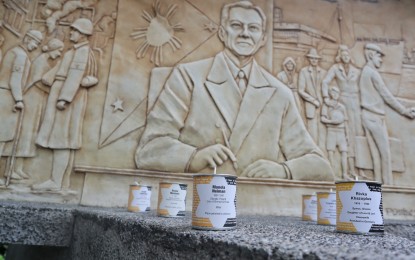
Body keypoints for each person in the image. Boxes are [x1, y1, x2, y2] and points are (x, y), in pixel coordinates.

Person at [135, 1, 333, 181]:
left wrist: (283, 170)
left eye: (253, 28)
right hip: (198, 200)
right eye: (236, 26)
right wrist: (193, 157)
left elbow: (321, 165)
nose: (245, 33)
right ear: (222, 33)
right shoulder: (188, 76)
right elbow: (148, 149)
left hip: (256, 205)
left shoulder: (280, 93)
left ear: (262, 39)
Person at [33, 18, 98, 191]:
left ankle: (56, 181)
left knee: (62, 139)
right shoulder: (74, 51)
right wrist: (48, 77)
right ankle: (61, 182)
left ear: (83, 34)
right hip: (61, 91)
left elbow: (75, 76)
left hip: (67, 98)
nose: (71, 33)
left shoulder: (81, 52)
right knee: (61, 138)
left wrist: (65, 98)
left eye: (74, 30)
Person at [1, 39, 64, 181]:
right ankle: (11, 169)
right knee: (24, 134)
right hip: (30, 99)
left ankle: (18, 168)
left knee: (29, 135)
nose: (59, 54)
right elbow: (37, 82)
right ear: (52, 49)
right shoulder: (40, 61)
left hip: (37, 102)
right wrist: (54, 91)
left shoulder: (42, 60)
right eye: (59, 50)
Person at [360, 43, 415, 185]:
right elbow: (387, 95)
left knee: (376, 156)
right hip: (374, 118)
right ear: (371, 55)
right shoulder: (372, 73)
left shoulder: (365, 71)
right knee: (385, 154)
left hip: (367, 116)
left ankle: (379, 186)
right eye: (379, 56)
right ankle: (389, 185)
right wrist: (405, 111)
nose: (381, 60)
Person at [0, 30, 43, 185]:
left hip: (5, 95)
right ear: (27, 38)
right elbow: (15, 80)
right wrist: (19, 99)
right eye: (35, 43)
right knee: (2, 138)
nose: (35, 46)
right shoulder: (20, 55)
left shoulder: (14, 52)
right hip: (7, 97)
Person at [322, 45, 363, 177]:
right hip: (343, 102)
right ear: (340, 56)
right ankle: (348, 170)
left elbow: (364, 87)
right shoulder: (335, 68)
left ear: (350, 57)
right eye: (343, 55)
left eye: (347, 55)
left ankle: (359, 167)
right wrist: (326, 97)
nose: (346, 58)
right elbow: (325, 82)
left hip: (355, 104)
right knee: (347, 136)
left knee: (357, 134)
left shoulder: (357, 71)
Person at [321, 86, 352, 180]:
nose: (335, 95)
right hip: (331, 131)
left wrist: (347, 135)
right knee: (331, 152)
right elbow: (322, 118)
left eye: (337, 93)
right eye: (333, 93)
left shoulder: (342, 107)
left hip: (341, 131)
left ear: (339, 95)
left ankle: (344, 174)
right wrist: (331, 122)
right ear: (330, 94)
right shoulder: (327, 105)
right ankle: (333, 174)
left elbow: (346, 121)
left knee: (344, 153)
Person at [298, 48, 327, 148]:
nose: (314, 60)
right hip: (311, 105)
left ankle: (323, 154)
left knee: (323, 133)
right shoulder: (304, 71)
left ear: (318, 60)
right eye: (312, 58)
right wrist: (313, 101)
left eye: (316, 58)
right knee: (312, 132)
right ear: (309, 59)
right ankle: (313, 153)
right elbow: (301, 90)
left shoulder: (323, 72)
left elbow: (327, 88)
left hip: (323, 106)